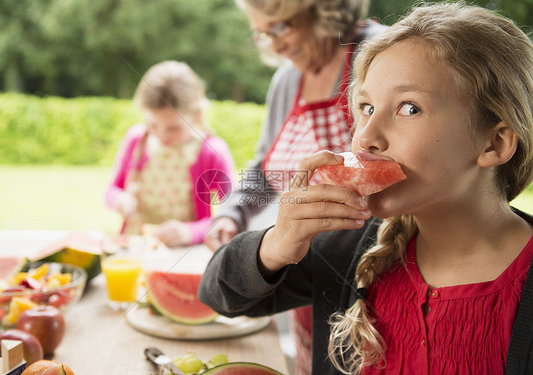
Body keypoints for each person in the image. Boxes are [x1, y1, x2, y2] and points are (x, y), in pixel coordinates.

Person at [198, 2, 533, 374]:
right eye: (366, 108)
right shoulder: (349, 247)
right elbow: (217, 291)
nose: (364, 138)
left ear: (494, 143)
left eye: (409, 108)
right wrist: (275, 244)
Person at [204, 2, 385, 373]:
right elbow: (266, 166)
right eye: (262, 33)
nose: (274, 44)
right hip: (307, 272)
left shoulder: (378, 54)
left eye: (281, 27)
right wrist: (233, 213)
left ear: (325, 11)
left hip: (374, 270)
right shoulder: (287, 80)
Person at [104, 61, 235, 247]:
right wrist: (119, 200)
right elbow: (111, 190)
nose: (162, 136)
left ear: (196, 114)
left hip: (183, 253)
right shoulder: (136, 140)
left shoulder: (211, 152)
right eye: (153, 125)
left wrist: (191, 232)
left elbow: (233, 213)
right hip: (136, 246)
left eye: (173, 128)